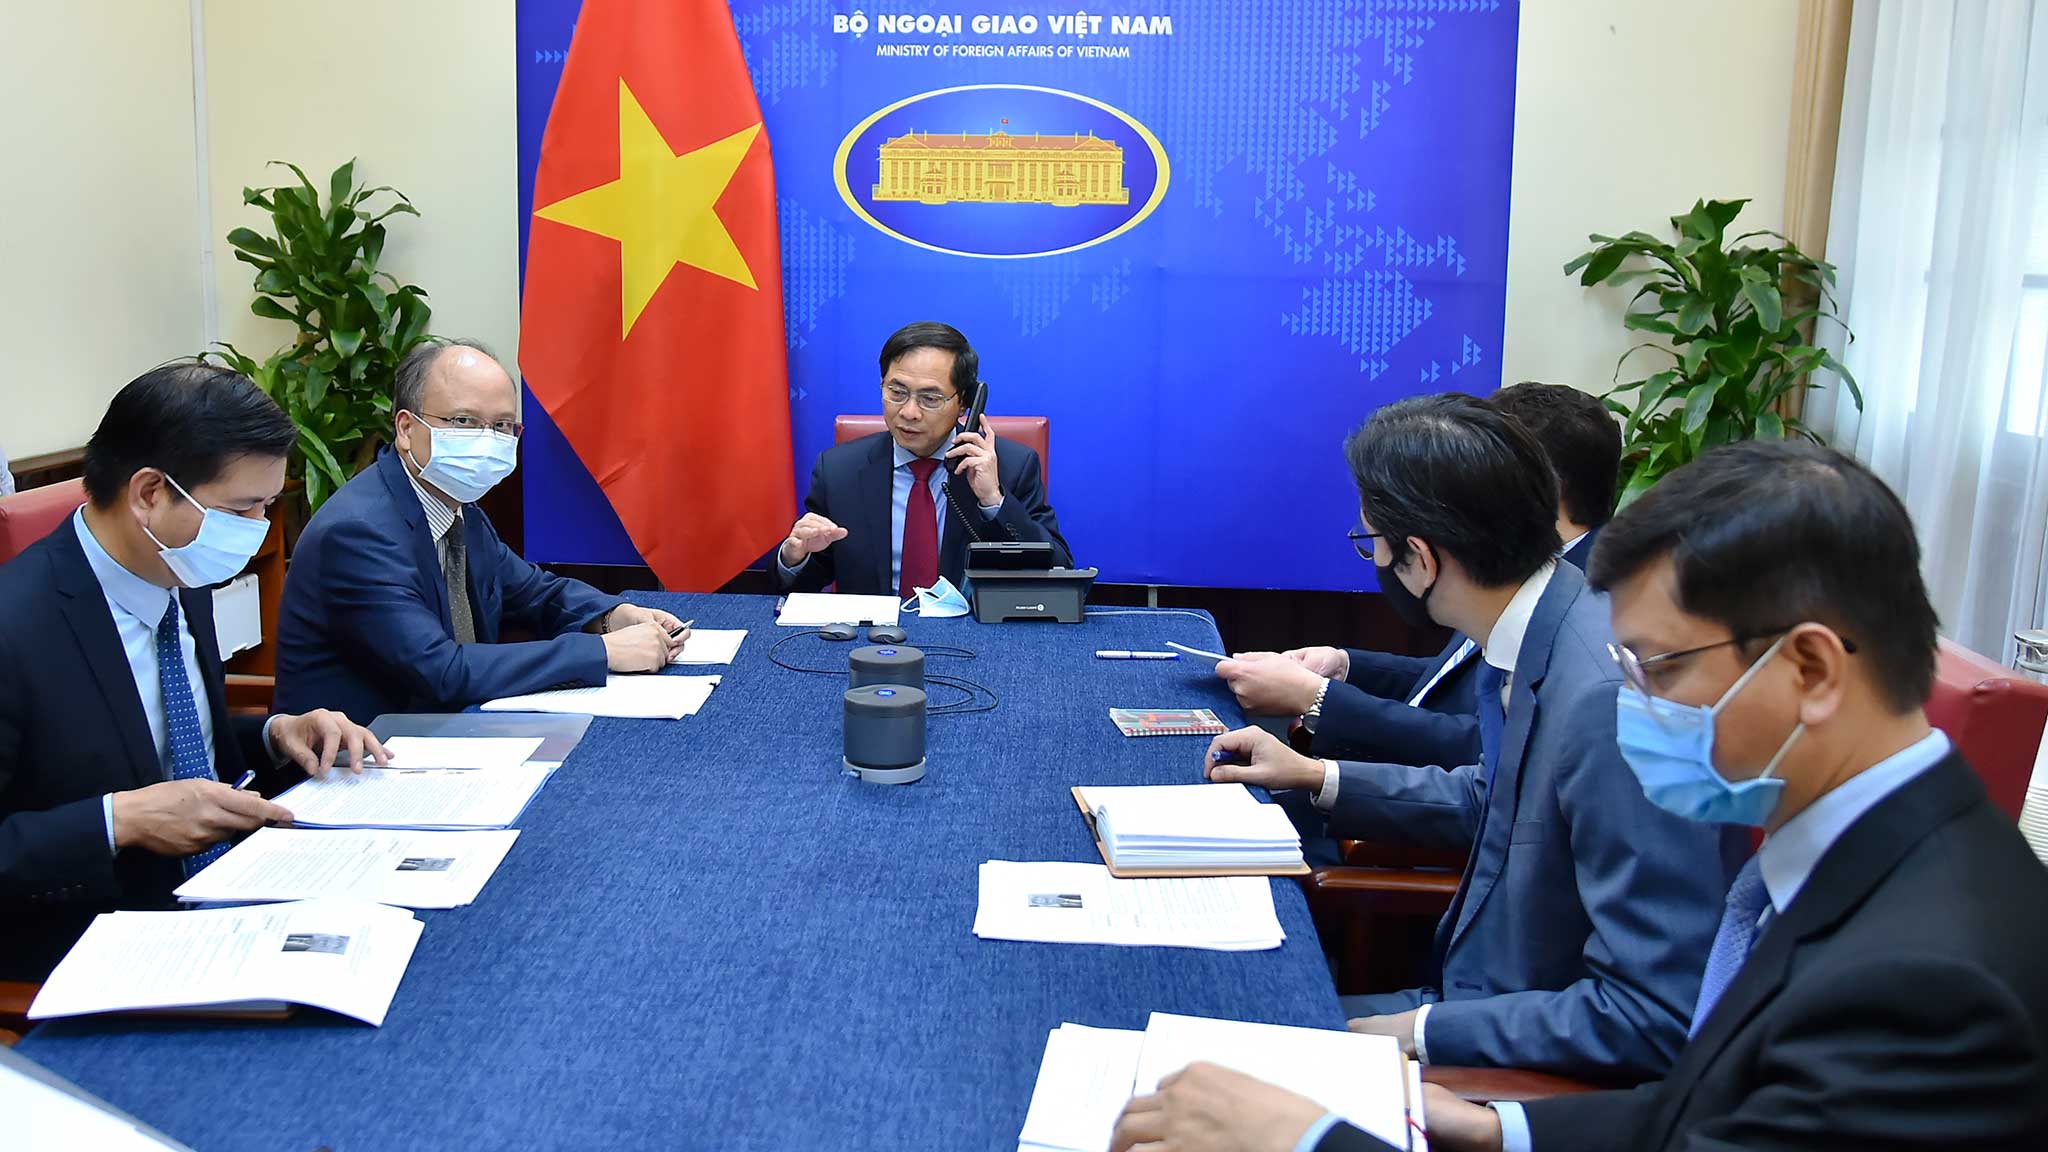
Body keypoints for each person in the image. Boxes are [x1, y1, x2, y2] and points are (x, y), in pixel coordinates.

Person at [1113, 440, 2048, 1152]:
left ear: (1809, 669)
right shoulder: (1860, 855)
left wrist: (1315, 1142)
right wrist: (1497, 1131)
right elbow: (1704, 1106)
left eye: (1658, 669)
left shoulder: (1930, 986)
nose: (1628, 706)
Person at [1202, 395, 1740, 1079]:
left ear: (1421, 559)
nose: (1373, 556)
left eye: (1373, 540)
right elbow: (1500, 801)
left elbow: (1653, 1014)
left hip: (1509, 1051)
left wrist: (1416, 1032)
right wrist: (1317, 777)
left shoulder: (1605, 702)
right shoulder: (1536, 627)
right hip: (1478, 1002)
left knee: (1204, 1036)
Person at [0, 362, 389, 981]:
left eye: (267, 505)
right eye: (242, 508)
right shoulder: (17, 625)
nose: (258, 529)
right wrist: (118, 821)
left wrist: (276, 734)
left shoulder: (181, 571)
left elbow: (168, 742)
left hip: (235, 891)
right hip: (93, 945)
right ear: (150, 493)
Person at [274, 339, 687, 721]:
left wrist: (612, 616)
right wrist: (600, 652)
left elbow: (536, 593)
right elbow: (442, 670)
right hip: (364, 754)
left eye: (503, 425)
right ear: (406, 429)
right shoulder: (357, 533)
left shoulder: (458, 509)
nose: (486, 440)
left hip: (453, 731)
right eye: (464, 420)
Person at [1213, 382, 1618, 769]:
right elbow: (1453, 684)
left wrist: (1318, 698)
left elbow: (1489, 758)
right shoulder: (1519, 586)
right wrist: (1343, 667)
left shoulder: (1590, 648)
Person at [774, 321, 1069, 598]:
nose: (909, 412)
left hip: (969, 630)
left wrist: (993, 500)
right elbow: (802, 586)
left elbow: (1058, 569)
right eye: (897, 392)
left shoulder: (1010, 467)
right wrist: (794, 557)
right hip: (873, 632)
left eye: (930, 399)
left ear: (964, 403)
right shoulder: (839, 470)